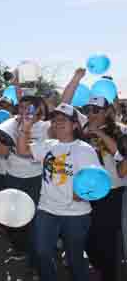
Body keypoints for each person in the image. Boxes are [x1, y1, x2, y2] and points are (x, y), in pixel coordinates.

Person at [17, 103, 99, 281]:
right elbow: (22, 150)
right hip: (47, 209)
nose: (57, 123)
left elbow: (97, 181)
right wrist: (26, 128)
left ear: (75, 125)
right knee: (42, 252)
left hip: (76, 214)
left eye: (63, 120)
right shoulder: (48, 145)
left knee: (75, 258)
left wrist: (83, 193)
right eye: (54, 120)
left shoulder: (85, 150)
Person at [0, 95, 50, 274]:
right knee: (14, 221)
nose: (25, 111)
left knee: (34, 222)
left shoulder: (46, 127)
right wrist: (7, 136)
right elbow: (2, 153)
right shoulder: (10, 125)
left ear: (38, 110)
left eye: (29, 108)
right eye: (22, 107)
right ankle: (23, 249)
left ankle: (34, 263)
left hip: (35, 179)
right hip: (13, 177)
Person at [80, 95, 126, 281]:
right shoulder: (83, 130)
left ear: (107, 111)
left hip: (112, 191)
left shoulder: (121, 130)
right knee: (88, 236)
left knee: (107, 239)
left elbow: (121, 158)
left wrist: (98, 133)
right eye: (88, 110)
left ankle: (109, 275)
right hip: (88, 191)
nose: (91, 114)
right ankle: (98, 264)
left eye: (96, 110)